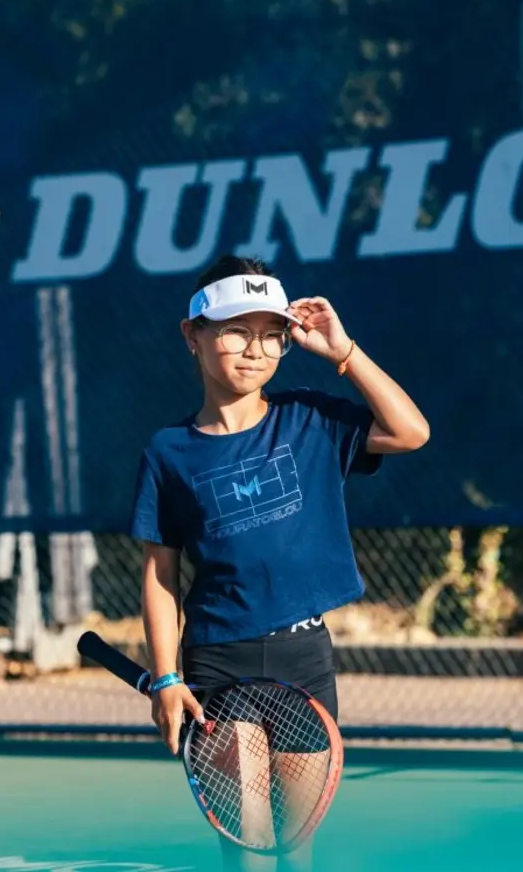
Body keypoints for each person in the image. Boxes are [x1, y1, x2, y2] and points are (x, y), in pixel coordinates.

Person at [130, 255, 429, 870]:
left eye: (271, 335)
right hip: (218, 665)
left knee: (297, 852)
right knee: (250, 853)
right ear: (194, 336)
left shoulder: (310, 418)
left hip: (305, 662)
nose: (254, 350)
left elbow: (410, 432)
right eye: (236, 331)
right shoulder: (168, 451)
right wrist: (165, 677)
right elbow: (161, 577)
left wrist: (343, 352)